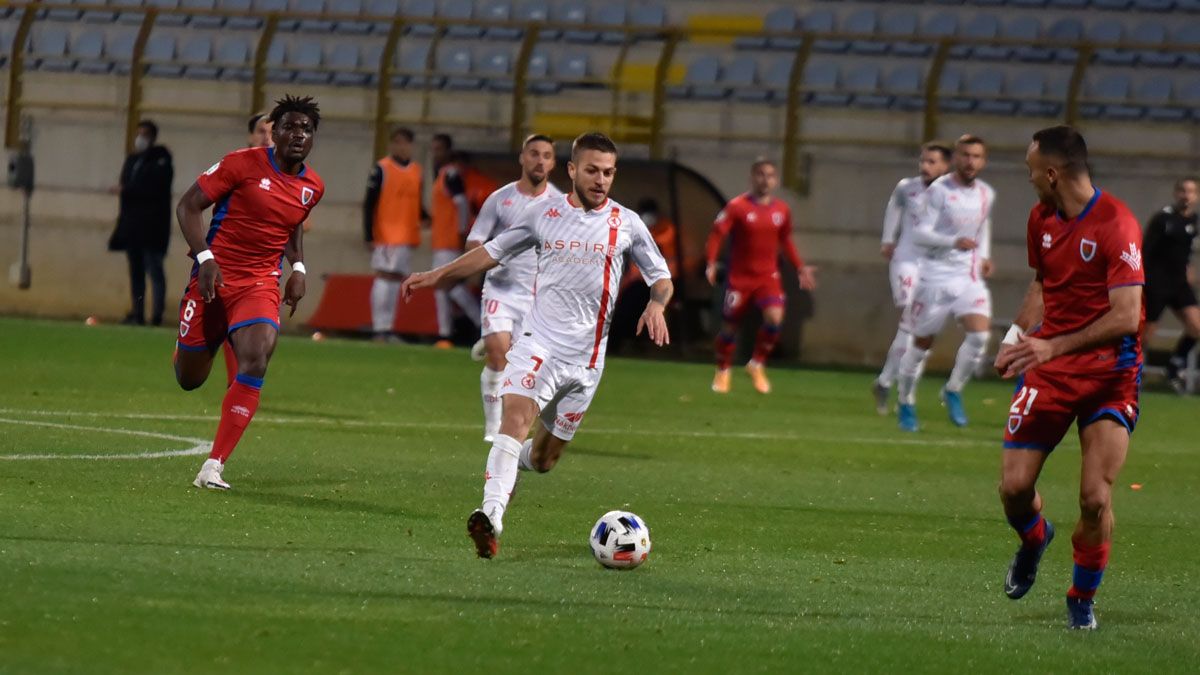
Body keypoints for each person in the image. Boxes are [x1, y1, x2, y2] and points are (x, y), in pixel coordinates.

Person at [401, 132, 673, 559]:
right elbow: (490, 252)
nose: (600, 180)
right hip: (539, 344)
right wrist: (437, 274)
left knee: (544, 459)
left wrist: (657, 305)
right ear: (572, 170)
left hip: (586, 363)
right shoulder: (543, 213)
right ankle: (490, 516)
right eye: (591, 170)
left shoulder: (628, 223)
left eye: (608, 172)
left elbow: (661, 276)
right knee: (514, 420)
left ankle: (513, 466)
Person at [994, 125, 1144, 631]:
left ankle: (1081, 599)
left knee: (1095, 496)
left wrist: (1051, 344)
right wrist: (1015, 336)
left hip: (1110, 373)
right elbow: (1043, 282)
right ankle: (1035, 537)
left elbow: (1126, 315)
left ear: (1052, 173)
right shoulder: (1041, 218)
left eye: (1031, 169)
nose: (1029, 177)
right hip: (1049, 368)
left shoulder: (1117, 224)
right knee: (1014, 489)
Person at [172, 95, 324, 490]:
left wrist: (299, 269)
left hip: (260, 283)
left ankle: (214, 464)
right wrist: (205, 257)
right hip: (215, 277)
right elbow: (188, 206)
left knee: (256, 356)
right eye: (290, 126)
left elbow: (291, 223)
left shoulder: (313, 187)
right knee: (188, 378)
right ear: (274, 132)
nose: (298, 135)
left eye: (306, 129)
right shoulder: (241, 163)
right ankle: (190, 345)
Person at [464, 134, 561, 442]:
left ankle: (517, 420)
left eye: (546, 155)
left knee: (522, 368)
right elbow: (474, 239)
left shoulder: (559, 204)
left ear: (554, 163)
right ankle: (493, 429)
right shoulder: (500, 199)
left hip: (536, 298)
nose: (540, 160)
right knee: (497, 356)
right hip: (500, 290)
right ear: (522, 158)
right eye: (534, 153)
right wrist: (491, 257)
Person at [895, 135, 995, 432]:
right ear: (955, 159)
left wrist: (984, 255)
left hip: (968, 277)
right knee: (922, 344)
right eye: (965, 155)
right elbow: (919, 233)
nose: (970, 161)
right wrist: (953, 241)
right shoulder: (939, 191)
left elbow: (983, 226)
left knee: (979, 336)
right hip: (935, 277)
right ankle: (906, 400)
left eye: (976, 156)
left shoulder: (985, 194)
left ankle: (952, 389)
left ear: (983, 161)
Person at [705, 159, 816, 395]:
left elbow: (785, 240)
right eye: (760, 174)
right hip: (740, 278)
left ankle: (756, 364)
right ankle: (723, 370)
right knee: (730, 326)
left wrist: (800, 267)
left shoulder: (781, 210)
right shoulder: (737, 206)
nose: (765, 179)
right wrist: (711, 262)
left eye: (770, 175)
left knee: (775, 319)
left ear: (775, 181)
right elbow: (717, 234)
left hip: (768, 277)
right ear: (752, 177)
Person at [871, 142, 952, 415]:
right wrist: (887, 238)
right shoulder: (907, 187)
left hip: (934, 268)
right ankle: (901, 394)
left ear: (945, 166)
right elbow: (894, 207)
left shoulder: (955, 195)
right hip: (905, 261)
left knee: (922, 333)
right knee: (911, 320)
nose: (925, 166)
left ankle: (885, 382)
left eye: (931, 162)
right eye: (923, 161)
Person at [110, 120, 174, 326]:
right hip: (132, 226)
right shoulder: (133, 160)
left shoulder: (161, 160)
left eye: (145, 135)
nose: (140, 139)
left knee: (154, 270)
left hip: (153, 227)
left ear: (153, 137)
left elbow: (153, 188)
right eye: (139, 134)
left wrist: (128, 190)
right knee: (136, 271)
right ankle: (137, 313)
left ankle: (156, 315)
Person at [364, 127, 424, 341]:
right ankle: (380, 327)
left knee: (397, 280)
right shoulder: (382, 168)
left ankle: (387, 327)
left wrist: (425, 218)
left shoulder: (417, 170)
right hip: (386, 233)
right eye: (397, 142)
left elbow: (417, 202)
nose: (402, 147)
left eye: (406, 143)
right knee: (384, 275)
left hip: (407, 233)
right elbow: (369, 204)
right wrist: (369, 235)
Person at [1142, 176, 1200, 393]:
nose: (1187, 195)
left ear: (1196, 196)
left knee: (1196, 327)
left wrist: (1188, 269)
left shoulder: (1194, 221)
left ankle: (1175, 365)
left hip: (1179, 284)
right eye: (1183, 191)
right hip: (1157, 283)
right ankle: (1129, 374)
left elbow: (1186, 250)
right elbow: (1146, 250)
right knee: (1145, 335)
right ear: (1177, 193)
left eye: (1191, 191)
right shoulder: (1163, 218)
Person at [429, 138, 483, 347]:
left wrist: (462, 233)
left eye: (439, 149)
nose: (435, 153)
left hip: (450, 239)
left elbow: (460, 204)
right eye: (433, 149)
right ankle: (445, 333)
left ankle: (481, 324)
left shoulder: (450, 174)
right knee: (443, 287)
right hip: (442, 238)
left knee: (446, 284)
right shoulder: (444, 175)